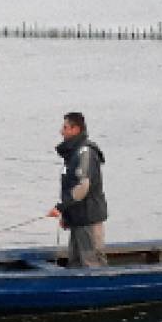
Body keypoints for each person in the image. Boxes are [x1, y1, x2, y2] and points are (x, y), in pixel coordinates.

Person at [46, 112, 107, 267]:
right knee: (75, 263)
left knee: (92, 264)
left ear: (76, 129)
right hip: (77, 220)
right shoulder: (73, 154)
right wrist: (66, 216)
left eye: (65, 127)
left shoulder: (85, 153)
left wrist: (60, 208)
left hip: (89, 220)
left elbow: (83, 187)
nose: (61, 131)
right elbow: (71, 186)